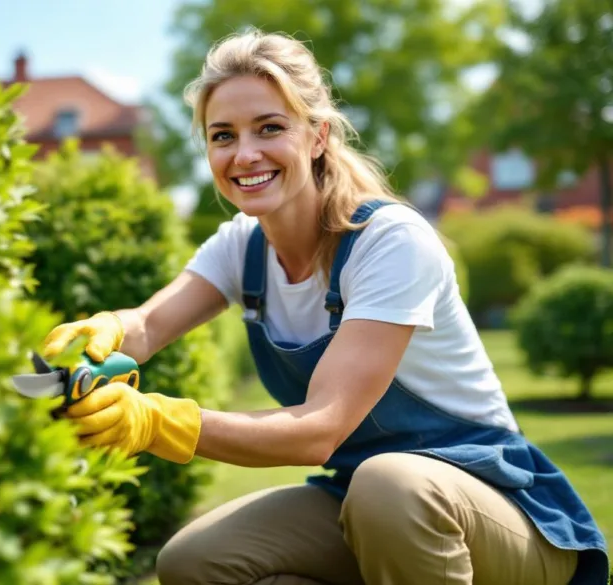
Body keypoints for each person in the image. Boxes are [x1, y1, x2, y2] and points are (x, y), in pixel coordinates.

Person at [37, 29, 609, 585]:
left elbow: (319, 431)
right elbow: (150, 323)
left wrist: (155, 421)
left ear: (316, 136)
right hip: (368, 501)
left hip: (500, 509)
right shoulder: (243, 246)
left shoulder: (390, 242)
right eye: (222, 135)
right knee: (196, 561)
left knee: (389, 488)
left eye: (269, 128)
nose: (245, 154)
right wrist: (105, 330)